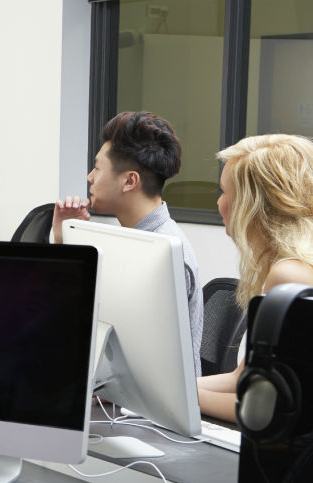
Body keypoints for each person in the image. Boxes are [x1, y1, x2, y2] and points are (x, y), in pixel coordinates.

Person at [52, 111, 204, 377]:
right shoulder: (129, 242)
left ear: (129, 181)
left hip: (150, 415)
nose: (90, 177)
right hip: (119, 401)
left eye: (97, 168)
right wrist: (64, 238)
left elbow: (159, 370)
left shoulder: (167, 253)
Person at [196, 134, 313, 422]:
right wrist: (150, 390)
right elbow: (242, 377)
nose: (220, 203)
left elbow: (267, 410)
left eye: (224, 192)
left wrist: (177, 397)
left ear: (252, 205)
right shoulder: (288, 265)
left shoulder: (290, 276)